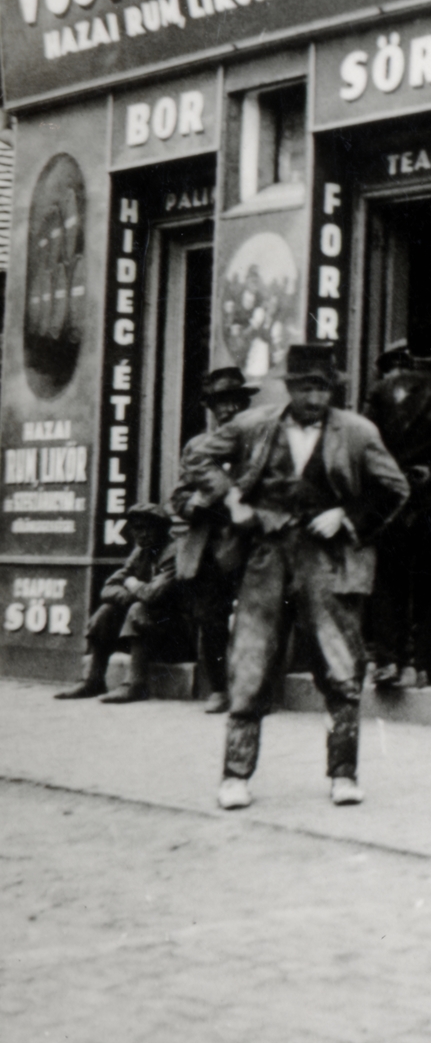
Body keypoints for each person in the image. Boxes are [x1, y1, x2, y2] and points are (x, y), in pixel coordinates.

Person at [181, 343, 408, 811]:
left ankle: (343, 774)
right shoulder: (255, 425)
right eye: (306, 386)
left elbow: (394, 488)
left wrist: (347, 514)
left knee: (342, 667)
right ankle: (235, 776)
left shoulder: (358, 433)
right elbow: (198, 459)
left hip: (328, 562)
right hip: (266, 558)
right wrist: (233, 502)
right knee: (250, 663)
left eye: (324, 387)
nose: (316, 396)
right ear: (289, 387)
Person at [361, 335, 431, 688]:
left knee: (388, 581)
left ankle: (388, 660)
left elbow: (366, 442)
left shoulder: (383, 392)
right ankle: (429, 664)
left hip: (392, 499)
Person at [167, 365, 258, 713]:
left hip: (249, 542)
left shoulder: (260, 443)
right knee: (211, 620)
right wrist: (196, 503)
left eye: (234, 401)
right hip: (208, 546)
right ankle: (219, 688)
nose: (229, 409)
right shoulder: (198, 446)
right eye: (221, 402)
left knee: (256, 618)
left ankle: (252, 689)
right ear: (211, 408)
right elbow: (177, 497)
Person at [55, 502, 180, 703]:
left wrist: (131, 583)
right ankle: (93, 680)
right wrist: (133, 593)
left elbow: (151, 595)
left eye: (149, 528)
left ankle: (135, 684)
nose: (143, 534)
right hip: (145, 631)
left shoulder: (174, 553)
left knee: (139, 609)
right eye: (137, 529)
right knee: (107, 612)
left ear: (162, 529)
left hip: (176, 636)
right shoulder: (141, 552)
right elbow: (109, 587)